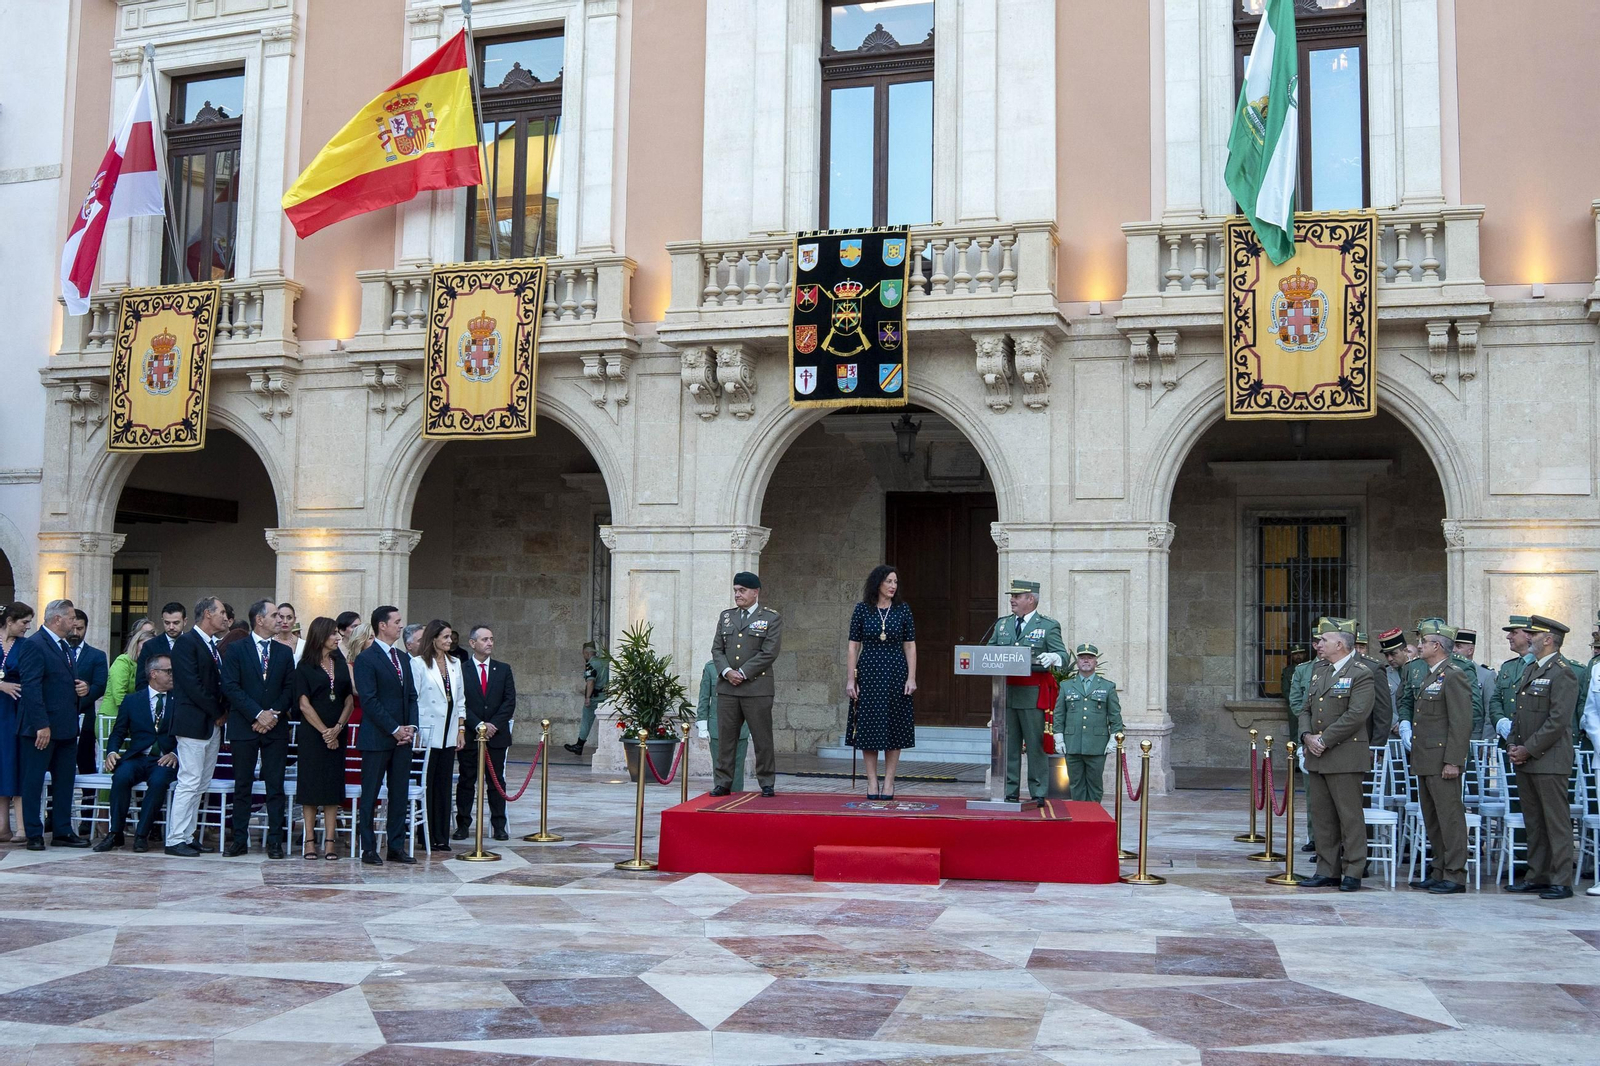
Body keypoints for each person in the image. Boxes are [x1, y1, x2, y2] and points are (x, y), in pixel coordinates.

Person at [1497, 615, 1577, 900]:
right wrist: (1513, 745)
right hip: (1527, 758)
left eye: (1533, 635)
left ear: (1548, 639)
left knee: (1555, 821)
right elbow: (1521, 716)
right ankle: (1538, 875)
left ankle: (1561, 879)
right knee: (1534, 821)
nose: (1527, 638)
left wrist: (1527, 748)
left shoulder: (1562, 672)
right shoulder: (1533, 669)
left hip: (1549, 759)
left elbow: (1557, 721)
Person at [1296, 624, 1374, 892]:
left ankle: (1353, 870)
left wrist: (1324, 739)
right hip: (1317, 754)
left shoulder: (1361, 674)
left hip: (1344, 755)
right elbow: (1305, 708)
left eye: (1324, 640)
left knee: (1349, 816)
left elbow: (1356, 714)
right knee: (1322, 816)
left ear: (1340, 644)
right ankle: (1326, 869)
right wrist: (1307, 736)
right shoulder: (1320, 672)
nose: (1319, 644)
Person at [219, 599, 296, 859]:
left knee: (275, 785)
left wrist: (271, 714)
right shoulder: (237, 649)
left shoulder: (284, 652)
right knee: (243, 785)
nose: (280, 620)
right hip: (244, 725)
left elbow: (289, 689)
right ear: (259, 620)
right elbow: (230, 686)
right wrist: (257, 713)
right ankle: (239, 838)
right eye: (274, 615)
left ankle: (275, 840)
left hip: (275, 726)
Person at [985, 578, 1066, 805]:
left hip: (1032, 694)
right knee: (1009, 745)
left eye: (1017, 596)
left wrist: (1054, 657)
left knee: (1034, 745)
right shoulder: (1002, 625)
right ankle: (1010, 790)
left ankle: (1038, 791)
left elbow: (1064, 656)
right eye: (1012, 596)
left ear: (1030, 599)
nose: (1012, 600)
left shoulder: (1047, 626)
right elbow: (990, 651)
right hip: (1006, 693)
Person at [1403, 629, 1472, 894]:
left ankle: (1455, 875)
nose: (1419, 647)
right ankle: (1439, 869)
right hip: (1426, 759)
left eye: (1423, 643)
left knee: (1450, 819)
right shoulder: (1431, 675)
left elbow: (1461, 722)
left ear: (1437, 646)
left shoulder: (1453, 675)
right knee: (1433, 819)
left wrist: (1453, 760)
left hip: (1443, 760)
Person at [16, 599, 88, 850]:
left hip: (66, 728)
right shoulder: (35, 645)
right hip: (41, 730)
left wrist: (82, 688)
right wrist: (41, 725)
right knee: (33, 782)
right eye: (70, 618)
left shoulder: (65, 646)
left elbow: (61, 681)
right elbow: (31, 688)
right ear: (57, 619)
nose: (74, 623)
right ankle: (34, 833)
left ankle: (62, 830)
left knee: (65, 782)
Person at [92, 652, 180, 853]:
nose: (172, 675)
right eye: (168, 671)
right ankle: (115, 834)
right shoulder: (133, 701)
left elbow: (187, 733)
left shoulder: (180, 700)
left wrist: (175, 753)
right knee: (121, 776)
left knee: (158, 782)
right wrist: (111, 751)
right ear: (154, 673)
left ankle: (142, 834)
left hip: (164, 759)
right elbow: (119, 731)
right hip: (138, 756)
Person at [163, 596, 231, 857]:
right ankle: (175, 838)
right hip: (194, 722)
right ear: (207, 614)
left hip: (211, 723)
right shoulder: (186, 643)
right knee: (189, 781)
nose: (225, 617)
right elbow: (192, 685)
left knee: (201, 783)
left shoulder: (211, 645)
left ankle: (188, 835)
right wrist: (217, 712)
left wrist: (221, 712)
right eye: (221, 612)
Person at [354, 605, 420, 865]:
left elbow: (412, 696)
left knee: (399, 793)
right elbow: (369, 701)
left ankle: (395, 846)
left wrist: (411, 727)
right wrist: (394, 729)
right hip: (377, 738)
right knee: (370, 793)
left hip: (403, 739)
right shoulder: (366, 659)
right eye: (396, 621)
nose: (400, 625)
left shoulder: (403, 658)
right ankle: (368, 848)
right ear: (382, 625)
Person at [845, 564, 917, 800]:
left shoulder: (903, 610)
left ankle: (889, 782)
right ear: (878, 583)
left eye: (896, 582)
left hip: (896, 672)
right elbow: (853, 645)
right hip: (869, 672)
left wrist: (911, 677)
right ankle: (872, 781)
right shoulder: (862, 609)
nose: (893, 586)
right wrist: (850, 680)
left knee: (894, 728)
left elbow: (910, 645)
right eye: (889, 581)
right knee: (869, 728)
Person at [709, 572, 782, 798]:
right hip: (728, 687)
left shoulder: (770, 618)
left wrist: (742, 672)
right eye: (735, 591)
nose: (737, 595)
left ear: (755, 592)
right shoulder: (727, 617)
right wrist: (727, 671)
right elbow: (717, 649)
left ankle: (766, 781)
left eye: (742, 591)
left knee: (762, 738)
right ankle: (723, 781)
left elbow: (769, 652)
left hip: (757, 688)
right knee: (726, 738)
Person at [294, 616, 353, 859]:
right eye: (333, 634)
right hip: (312, 735)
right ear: (320, 635)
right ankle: (309, 840)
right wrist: (324, 732)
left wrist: (337, 728)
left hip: (337, 733)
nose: (337, 637)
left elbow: (348, 698)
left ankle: (329, 842)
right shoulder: (304, 665)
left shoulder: (340, 663)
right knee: (310, 789)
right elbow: (303, 703)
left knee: (331, 788)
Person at [456, 625, 516, 841]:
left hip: (496, 736)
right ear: (473, 643)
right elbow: (460, 701)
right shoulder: (461, 670)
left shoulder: (503, 669)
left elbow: (509, 702)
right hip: (471, 735)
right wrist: (478, 724)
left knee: (496, 780)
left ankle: (499, 824)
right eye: (484, 640)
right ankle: (463, 824)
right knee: (466, 780)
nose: (489, 643)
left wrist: (492, 726)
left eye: (491, 639)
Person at [412, 620, 466, 852]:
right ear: (433, 638)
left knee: (444, 785)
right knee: (428, 783)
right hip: (427, 731)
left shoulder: (455, 663)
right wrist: (414, 729)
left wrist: (461, 729)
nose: (449, 641)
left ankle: (442, 836)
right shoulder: (418, 664)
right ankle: (426, 835)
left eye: (450, 637)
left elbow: (460, 698)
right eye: (444, 637)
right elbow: (413, 699)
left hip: (449, 730)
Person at [1056, 643, 1123, 803]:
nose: (1086, 661)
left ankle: (1094, 817)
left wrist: (1114, 738)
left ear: (1096, 662)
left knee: (1095, 784)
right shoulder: (1066, 686)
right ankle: (1080, 818)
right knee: (1076, 784)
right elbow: (1059, 714)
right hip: (1072, 743)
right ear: (1077, 662)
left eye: (1090, 658)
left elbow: (1115, 716)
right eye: (1082, 658)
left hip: (1096, 744)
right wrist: (1058, 737)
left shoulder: (1107, 687)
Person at [67, 608, 109, 835]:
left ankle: (86, 818)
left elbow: (101, 685)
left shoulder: (96, 655)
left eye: (80, 628)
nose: (75, 632)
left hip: (86, 717)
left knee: (86, 766)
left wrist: (87, 691)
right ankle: (54, 816)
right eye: (72, 627)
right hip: (60, 718)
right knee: (58, 767)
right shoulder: (58, 651)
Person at [0, 602, 35, 843]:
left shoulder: (26, 646)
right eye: (24, 622)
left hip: (16, 712)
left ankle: (23, 828)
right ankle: (3, 827)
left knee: (16, 764)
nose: (27, 627)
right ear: (9, 621)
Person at [695, 658, 748, 789]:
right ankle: (720, 799)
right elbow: (704, 697)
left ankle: (736, 800)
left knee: (737, 768)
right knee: (720, 767)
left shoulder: (747, 666)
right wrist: (702, 723)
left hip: (741, 727)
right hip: (717, 726)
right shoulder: (711, 667)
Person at [564, 642, 608, 757]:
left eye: (584, 654)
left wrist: (587, 698)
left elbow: (591, 682)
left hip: (595, 698)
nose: (584, 657)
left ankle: (579, 745)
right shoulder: (605, 662)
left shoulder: (591, 665)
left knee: (586, 721)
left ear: (587, 653)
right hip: (607, 697)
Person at [135, 602, 187, 690]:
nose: (171, 627)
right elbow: (141, 681)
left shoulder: (194, 644)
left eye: (176, 623)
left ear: (185, 621)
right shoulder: (150, 646)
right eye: (167, 623)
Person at [1378, 628, 1409, 706]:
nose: (1390, 659)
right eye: (1386, 655)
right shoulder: (1384, 674)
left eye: (1393, 654)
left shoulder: (1418, 670)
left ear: (1405, 651)